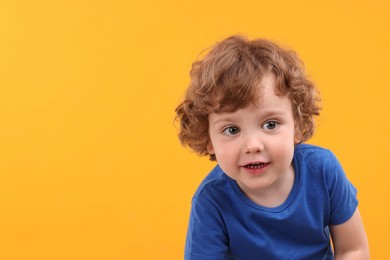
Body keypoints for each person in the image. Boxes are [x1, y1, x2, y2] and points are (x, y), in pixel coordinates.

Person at [175, 35, 369, 259]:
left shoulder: (323, 170)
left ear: (297, 124)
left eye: (270, 124)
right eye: (232, 130)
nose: (253, 145)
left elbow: (353, 249)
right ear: (209, 140)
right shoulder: (211, 201)